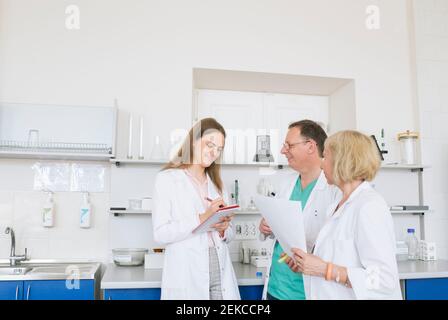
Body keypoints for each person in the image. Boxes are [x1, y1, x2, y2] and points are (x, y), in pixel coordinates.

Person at [285, 130, 402, 299]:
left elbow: (384, 279)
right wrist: (307, 263)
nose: (321, 164)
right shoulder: (338, 204)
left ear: (342, 161)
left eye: (325, 157)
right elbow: (339, 257)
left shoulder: (369, 206)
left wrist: (326, 270)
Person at [152, 118, 240, 300]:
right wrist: (203, 217)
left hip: (219, 267)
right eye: (210, 144)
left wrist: (224, 229)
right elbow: (160, 234)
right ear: (193, 141)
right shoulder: (167, 179)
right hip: (187, 270)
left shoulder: (217, 185)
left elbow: (230, 235)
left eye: (219, 149)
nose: (214, 152)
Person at [259, 120, 341, 300]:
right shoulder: (286, 183)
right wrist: (268, 226)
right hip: (275, 287)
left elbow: (338, 248)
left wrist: (309, 256)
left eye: (289, 145)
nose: (283, 151)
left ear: (310, 146)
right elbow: (283, 230)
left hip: (305, 292)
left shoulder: (335, 190)